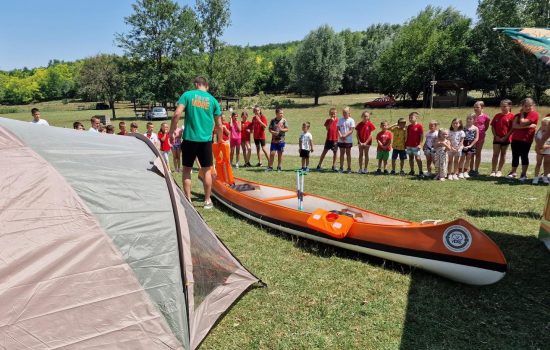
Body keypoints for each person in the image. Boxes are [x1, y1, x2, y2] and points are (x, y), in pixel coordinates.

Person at [168, 76, 222, 209]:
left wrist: (171, 131)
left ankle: (188, 201)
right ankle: (207, 201)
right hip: (205, 141)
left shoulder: (187, 95)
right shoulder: (213, 100)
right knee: (207, 171)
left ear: (196, 84)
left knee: (187, 170)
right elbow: (219, 125)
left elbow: (176, 114)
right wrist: (219, 139)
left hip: (189, 139)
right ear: (206, 86)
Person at [508, 98, 539, 182]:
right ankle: (513, 172)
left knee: (524, 156)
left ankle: (523, 174)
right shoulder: (517, 115)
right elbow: (514, 126)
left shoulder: (534, 114)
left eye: (530, 106)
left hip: (526, 139)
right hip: (515, 138)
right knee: (515, 156)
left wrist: (521, 115)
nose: (527, 107)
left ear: (533, 106)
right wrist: (528, 126)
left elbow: (521, 122)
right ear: (522, 106)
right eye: (525, 106)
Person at [490, 99, 514, 177]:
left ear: (509, 106)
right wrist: (495, 136)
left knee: (503, 154)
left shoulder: (512, 116)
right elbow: (493, 127)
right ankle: (493, 171)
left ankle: (499, 171)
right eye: (501, 106)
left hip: (506, 139)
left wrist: (505, 137)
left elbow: (512, 129)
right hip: (496, 139)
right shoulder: (497, 115)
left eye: (504, 106)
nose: (503, 108)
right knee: (495, 154)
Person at [470, 101, 491, 176]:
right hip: (471, 138)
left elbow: (486, 126)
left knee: (478, 153)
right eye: (474, 107)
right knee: (471, 153)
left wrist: (481, 132)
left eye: (477, 107)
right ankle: (471, 169)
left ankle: (476, 170)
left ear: (482, 108)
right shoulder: (471, 116)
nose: (475, 108)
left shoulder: (486, 117)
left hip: (480, 138)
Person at [316, 107, 339, 171]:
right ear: (329, 114)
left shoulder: (338, 121)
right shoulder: (328, 121)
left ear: (336, 114)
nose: (333, 115)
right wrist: (331, 122)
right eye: (332, 114)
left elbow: (339, 130)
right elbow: (327, 128)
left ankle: (334, 166)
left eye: (334, 113)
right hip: (329, 139)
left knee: (335, 152)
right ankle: (319, 165)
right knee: (324, 152)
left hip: (335, 139)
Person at [459, 114, 479, 179]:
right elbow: (460, 137)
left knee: (468, 158)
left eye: (470, 119)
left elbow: (476, 138)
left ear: (474, 120)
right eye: (468, 118)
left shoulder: (476, 128)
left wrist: (470, 145)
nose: (468, 120)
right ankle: (460, 172)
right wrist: (462, 145)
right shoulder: (463, 127)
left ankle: (465, 172)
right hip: (463, 143)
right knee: (462, 158)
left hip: (471, 145)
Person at [337, 106, 355, 173]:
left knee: (348, 154)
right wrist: (341, 136)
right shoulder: (340, 120)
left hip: (348, 140)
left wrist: (345, 136)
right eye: (343, 112)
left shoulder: (351, 120)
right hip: (341, 140)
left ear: (349, 113)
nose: (344, 113)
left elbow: (351, 130)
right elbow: (338, 129)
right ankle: (341, 168)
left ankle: (349, 168)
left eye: (346, 112)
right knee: (342, 153)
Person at [532, 117, 550, 185]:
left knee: (547, 164)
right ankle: (536, 177)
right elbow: (537, 141)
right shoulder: (539, 132)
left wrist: (546, 146)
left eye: (546, 125)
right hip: (540, 151)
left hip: (548, 151)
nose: (543, 126)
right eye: (542, 124)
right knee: (538, 163)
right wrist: (540, 147)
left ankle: (545, 177)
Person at [405, 112, 424, 176]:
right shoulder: (409, 126)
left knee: (418, 158)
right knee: (410, 158)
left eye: (411, 117)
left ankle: (421, 171)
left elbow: (422, 136)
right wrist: (406, 144)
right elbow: (407, 135)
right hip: (409, 145)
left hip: (416, 146)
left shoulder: (419, 126)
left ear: (416, 118)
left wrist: (420, 144)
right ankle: (412, 170)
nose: (410, 119)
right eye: (409, 118)